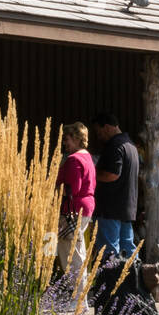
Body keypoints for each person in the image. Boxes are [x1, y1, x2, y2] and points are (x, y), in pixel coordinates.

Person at [90, 111, 139, 260]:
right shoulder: (130, 145)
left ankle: (111, 282)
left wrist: (91, 175)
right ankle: (132, 281)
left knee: (109, 250)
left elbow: (112, 174)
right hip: (126, 207)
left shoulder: (115, 145)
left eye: (98, 132)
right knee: (128, 248)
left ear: (106, 127)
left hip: (110, 208)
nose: (99, 137)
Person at [55, 122, 95, 282]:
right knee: (77, 251)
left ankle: (78, 297)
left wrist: (52, 188)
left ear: (77, 139)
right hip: (84, 209)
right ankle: (79, 297)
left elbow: (72, 188)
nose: (64, 143)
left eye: (67, 139)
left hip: (72, 211)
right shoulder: (86, 156)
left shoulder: (73, 159)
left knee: (71, 254)